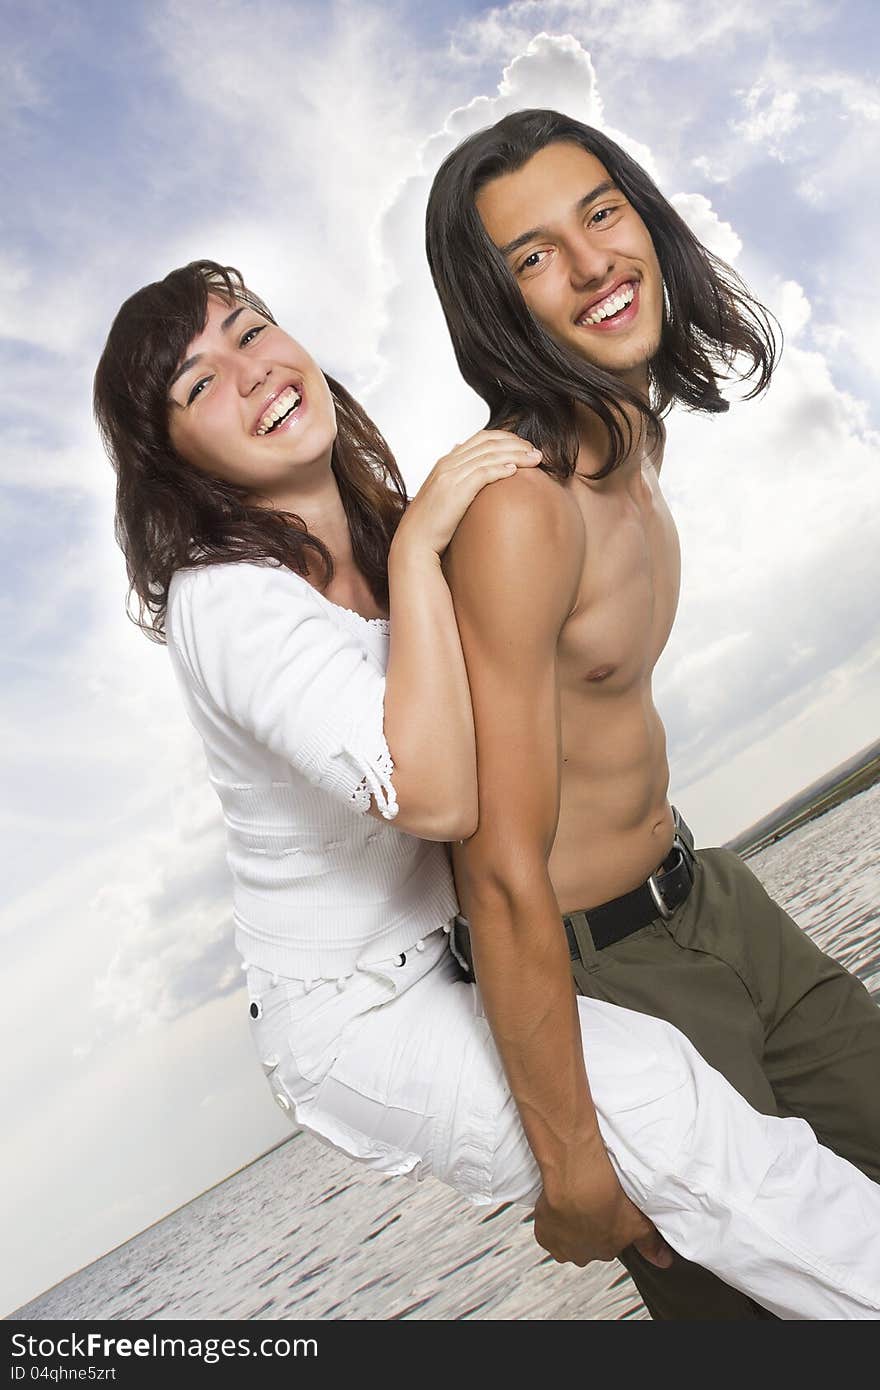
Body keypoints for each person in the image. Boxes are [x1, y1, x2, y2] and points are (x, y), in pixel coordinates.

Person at [92, 259, 880, 1321]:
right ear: (174, 461)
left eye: (250, 329)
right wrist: (422, 549)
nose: (249, 372)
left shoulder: (382, 525)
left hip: (473, 954)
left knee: (681, 1162)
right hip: (356, 1014)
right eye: (197, 383)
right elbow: (435, 796)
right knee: (660, 1107)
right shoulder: (223, 600)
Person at [424, 108, 880, 1319]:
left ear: (644, 216)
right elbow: (497, 866)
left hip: (714, 899)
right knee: (764, 1314)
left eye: (601, 214)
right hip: (612, 982)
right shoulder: (522, 510)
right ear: (498, 306)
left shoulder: (634, 438)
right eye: (531, 257)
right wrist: (573, 1157)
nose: (587, 267)